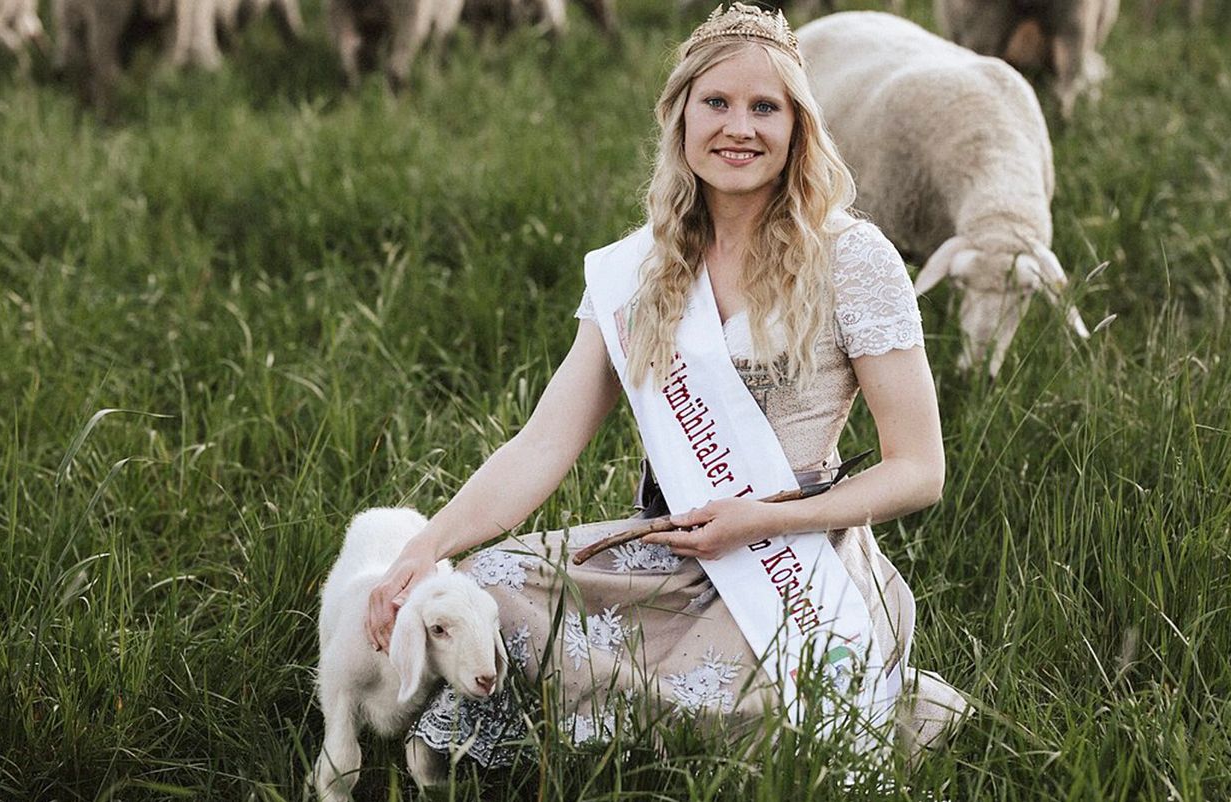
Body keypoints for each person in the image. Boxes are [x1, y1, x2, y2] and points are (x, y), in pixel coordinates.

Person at [364, 2, 967, 769]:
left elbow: (918, 469)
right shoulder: (639, 269)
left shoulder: (853, 259)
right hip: (670, 548)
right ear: (680, 116)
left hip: (796, 559)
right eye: (715, 102)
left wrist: (756, 520)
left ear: (797, 128)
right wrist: (426, 546)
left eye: (764, 107)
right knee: (482, 586)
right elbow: (543, 443)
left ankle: (896, 706)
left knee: (762, 720)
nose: (738, 127)